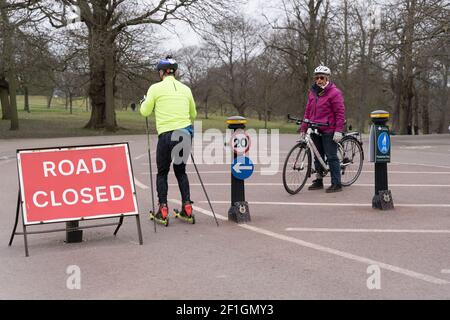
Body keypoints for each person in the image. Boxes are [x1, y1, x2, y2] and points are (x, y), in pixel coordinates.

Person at [140, 55, 197, 221]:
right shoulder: (186, 89)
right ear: (174, 72)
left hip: (166, 134)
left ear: (161, 73)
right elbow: (193, 114)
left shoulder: (155, 89)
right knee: (181, 172)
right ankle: (187, 206)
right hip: (185, 134)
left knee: (162, 172)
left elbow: (144, 111)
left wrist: (144, 101)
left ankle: (162, 209)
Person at [299, 65, 346, 193]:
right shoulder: (313, 92)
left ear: (327, 78)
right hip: (314, 128)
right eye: (317, 78)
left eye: (322, 78)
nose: (319, 80)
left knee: (331, 156)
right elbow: (308, 111)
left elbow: (340, 113)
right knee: (317, 156)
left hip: (329, 129)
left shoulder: (334, 93)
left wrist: (338, 130)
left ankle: (337, 183)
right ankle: (319, 180)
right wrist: (303, 127)